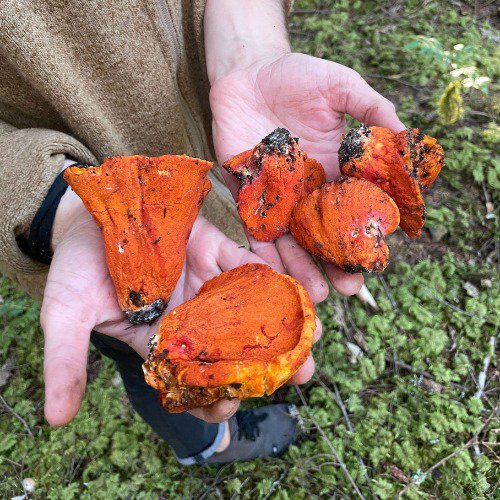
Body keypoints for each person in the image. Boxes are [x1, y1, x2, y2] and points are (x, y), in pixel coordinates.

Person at [0, 1, 404, 464]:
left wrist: (250, 48)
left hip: (233, 190)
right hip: (94, 236)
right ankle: (207, 446)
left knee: (180, 355)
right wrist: (45, 202)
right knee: (144, 356)